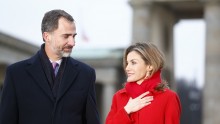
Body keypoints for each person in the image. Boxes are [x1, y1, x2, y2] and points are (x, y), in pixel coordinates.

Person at [0, 9, 100, 124]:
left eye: (74, 36)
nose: (72, 42)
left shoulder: (86, 74)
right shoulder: (16, 74)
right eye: (66, 36)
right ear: (47, 36)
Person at [106, 42, 181, 124]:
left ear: (150, 66)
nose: (127, 68)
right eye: (127, 63)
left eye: (133, 63)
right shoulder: (119, 97)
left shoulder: (168, 98)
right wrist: (126, 110)